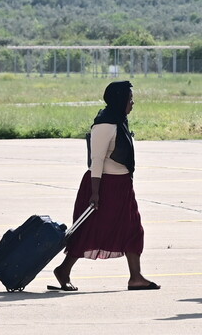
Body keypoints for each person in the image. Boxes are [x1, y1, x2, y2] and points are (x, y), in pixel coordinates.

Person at [52, 81, 160, 292]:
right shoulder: (105, 125)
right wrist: (95, 193)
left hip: (122, 186)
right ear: (119, 100)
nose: (132, 103)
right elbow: (97, 160)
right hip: (103, 187)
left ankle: (136, 277)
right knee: (89, 230)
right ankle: (63, 270)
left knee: (133, 229)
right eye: (129, 99)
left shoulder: (120, 122)